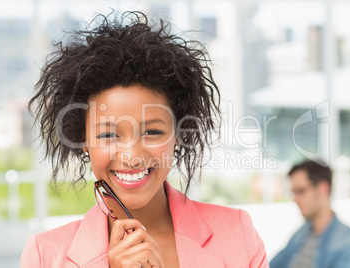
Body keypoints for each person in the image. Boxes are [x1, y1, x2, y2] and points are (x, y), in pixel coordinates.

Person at [21, 11, 268, 268]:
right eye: (108, 135)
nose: (132, 155)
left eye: (152, 132)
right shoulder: (44, 255)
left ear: (178, 136)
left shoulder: (238, 234)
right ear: (83, 141)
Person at [269, 160, 350, 268]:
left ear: (323, 189)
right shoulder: (301, 233)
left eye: (300, 191)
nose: (294, 199)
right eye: (293, 192)